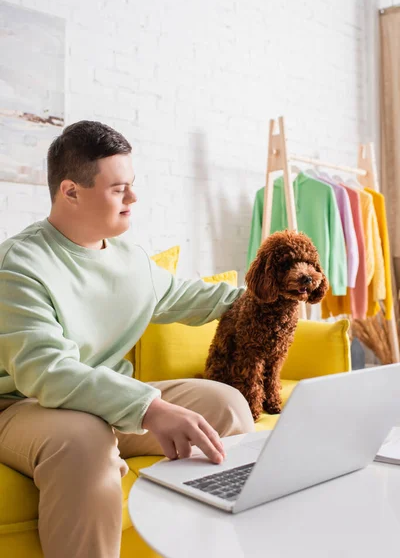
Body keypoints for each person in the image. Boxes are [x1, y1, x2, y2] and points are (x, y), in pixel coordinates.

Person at [0, 120, 254, 558]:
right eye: (119, 189)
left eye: (132, 185)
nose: (133, 198)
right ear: (71, 191)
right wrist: (148, 407)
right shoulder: (18, 264)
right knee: (83, 439)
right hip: (21, 406)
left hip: (105, 402)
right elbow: (47, 372)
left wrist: (269, 299)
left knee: (225, 405)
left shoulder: (130, 260)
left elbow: (195, 297)